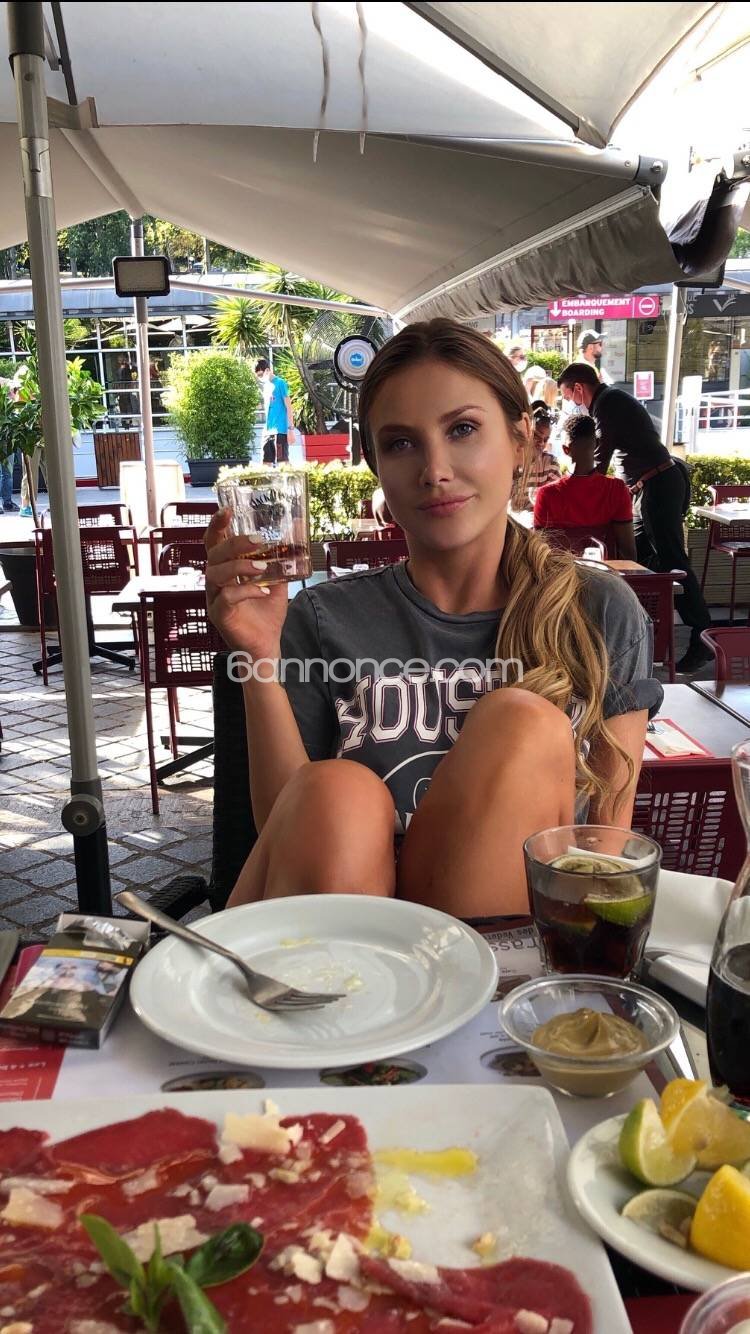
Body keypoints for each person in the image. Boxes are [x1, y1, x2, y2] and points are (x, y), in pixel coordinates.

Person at [207, 319, 662, 918]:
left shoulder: (598, 609)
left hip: (512, 947)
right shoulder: (321, 617)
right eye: (401, 443)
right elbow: (289, 833)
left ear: (520, 441)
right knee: (335, 791)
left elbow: (606, 849)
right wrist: (260, 657)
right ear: (375, 465)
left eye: (463, 429)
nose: (434, 470)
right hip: (350, 936)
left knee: (523, 725)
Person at [557, 361, 712, 673]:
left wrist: (573, 488)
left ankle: (702, 639)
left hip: (658, 485)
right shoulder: (610, 401)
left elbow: (598, 458)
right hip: (649, 486)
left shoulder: (607, 404)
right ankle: (642, 633)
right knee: (636, 559)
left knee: (672, 560)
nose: (573, 404)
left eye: (570, 397)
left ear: (579, 388)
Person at [533, 415, 636, 560]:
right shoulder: (617, 490)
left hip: (563, 574)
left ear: (565, 449)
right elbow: (629, 554)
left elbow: (538, 554)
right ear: (597, 444)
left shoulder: (547, 494)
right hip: (605, 573)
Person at [511, 407, 561, 510]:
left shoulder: (550, 464)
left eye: (546, 439)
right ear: (526, 432)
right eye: (537, 436)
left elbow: (554, 503)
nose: (542, 443)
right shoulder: (511, 461)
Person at [254, 358, 294, 465]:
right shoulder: (266, 386)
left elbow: (289, 407)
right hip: (268, 431)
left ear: (267, 370)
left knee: (283, 463)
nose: (260, 378)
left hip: (280, 431)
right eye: (258, 376)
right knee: (265, 463)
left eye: (261, 375)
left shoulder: (281, 383)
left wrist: (291, 430)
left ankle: (293, 476)